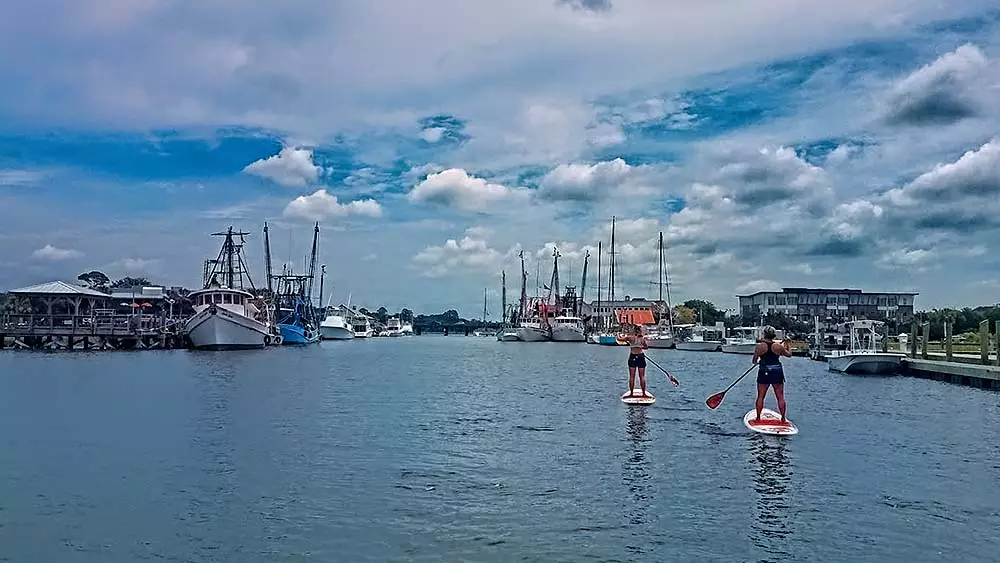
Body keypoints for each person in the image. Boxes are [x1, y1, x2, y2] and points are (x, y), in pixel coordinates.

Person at [751, 326, 792, 422]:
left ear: (764, 334)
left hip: (764, 372)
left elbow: (754, 361)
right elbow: (789, 354)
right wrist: (788, 344)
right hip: (776, 372)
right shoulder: (778, 346)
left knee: (761, 396)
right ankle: (783, 418)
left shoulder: (759, 346)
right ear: (773, 335)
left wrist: (759, 362)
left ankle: (758, 417)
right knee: (780, 396)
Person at [622, 324, 649, 397]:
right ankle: (643, 394)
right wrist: (641, 346)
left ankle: (631, 393)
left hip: (633, 356)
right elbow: (646, 347)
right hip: (640, 356)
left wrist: (619, 335)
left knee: (632, 377)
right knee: (642, 377)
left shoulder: (630, 337)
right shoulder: (642, 339)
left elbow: (619, 339)